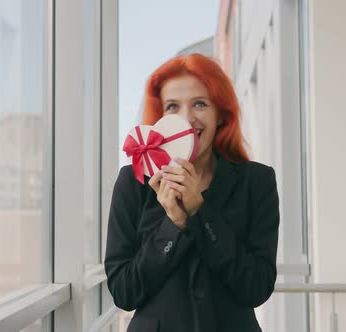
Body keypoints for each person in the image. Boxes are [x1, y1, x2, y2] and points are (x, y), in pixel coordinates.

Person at [104, 53, 280, 332]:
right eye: (172, 107)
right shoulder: (133, 182)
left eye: (200, 104)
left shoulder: (256, 181)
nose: (187, 119)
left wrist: (200, 211)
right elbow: (124, 292)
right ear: (160, 118)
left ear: (220, 113)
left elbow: (256, 287)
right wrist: (173, 225)